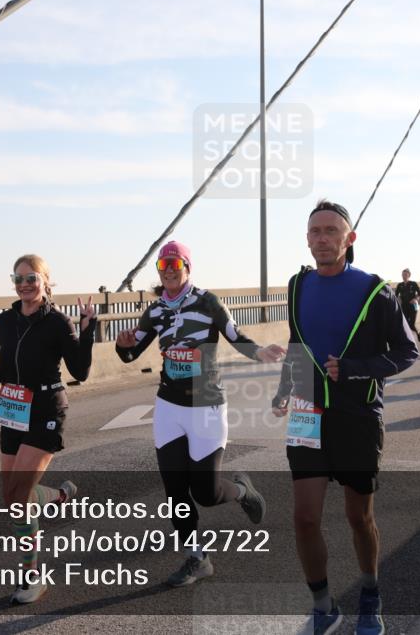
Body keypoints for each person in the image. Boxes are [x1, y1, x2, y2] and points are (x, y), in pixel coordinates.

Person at [272, 200, 418, 635]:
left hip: (357, 414)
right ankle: (323, 606)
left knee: (359, 517)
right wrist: (284, 390)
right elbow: (298, 345)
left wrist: (356, 369)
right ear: (307, 238)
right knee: (304, 517)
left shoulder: (375, 290)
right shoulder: (297, 285)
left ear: (349, 238)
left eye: (331, 231)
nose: (322, 238)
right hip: (307, 412)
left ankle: (370, 596)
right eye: (314, 231)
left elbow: (407, 351)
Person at [115, 241, 285, 587]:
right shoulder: (156, 310)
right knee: (175, 490)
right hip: (168, 404)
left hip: (206, 402)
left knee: (205, 493)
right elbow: (130, 356)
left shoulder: (207, 302)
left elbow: (235, 336)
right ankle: (197, 557)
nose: (168, 270)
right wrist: (123, 344)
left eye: (175, 264)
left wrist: (259, 352)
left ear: (187, 268)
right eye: (163, 265)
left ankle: (241, 489)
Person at [0, 254, 97, 604]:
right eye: (18, 278)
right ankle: (60, 496)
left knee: (20, 499)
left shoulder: (58, 323)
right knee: (11, 498)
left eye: (31, 278)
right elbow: (7, 363)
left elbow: (79, 371)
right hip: (13, 407)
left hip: (47, 408)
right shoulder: (5, 320)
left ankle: (31, 576)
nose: (24, 284)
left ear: (45, 281)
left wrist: (86, 328)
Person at [394, 268, 420, 343]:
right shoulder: (400, 285)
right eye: (403, 275)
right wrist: (398, 301)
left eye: (405, 274)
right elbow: (395, 296)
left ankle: (418, 332)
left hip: (413, 307)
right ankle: (408, 340)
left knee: (412, 324)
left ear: (409, 275)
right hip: (404, 307)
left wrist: (416, 299)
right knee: (405, 324)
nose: (404, 276)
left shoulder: (413, 284)